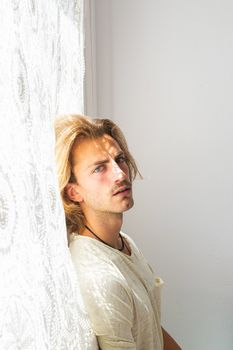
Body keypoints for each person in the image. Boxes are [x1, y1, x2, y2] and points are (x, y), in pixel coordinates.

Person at [55, 114, 182, 350]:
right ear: (74, 192)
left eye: (120, 159)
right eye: (99, 168)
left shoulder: (123, 243)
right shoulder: (101, 278)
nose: (121, 174)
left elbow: (152, 326)